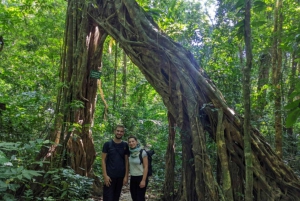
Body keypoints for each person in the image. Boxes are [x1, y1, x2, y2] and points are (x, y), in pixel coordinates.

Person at [102, 125, 129, 201]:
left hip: (120, 176)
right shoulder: (107, 144)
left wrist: (126, 176)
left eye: (121, 131)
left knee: (116, 197)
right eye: (118, 131)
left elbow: (126, 161)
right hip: (110, 177)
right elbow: (103, 160)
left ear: (123, 133)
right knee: (108, 197)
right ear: (115, 131)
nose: (119, 133)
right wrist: (105, 176)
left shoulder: (125, 145)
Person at [127, 136, 149, 201]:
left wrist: (143, 180)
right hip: (133, 177)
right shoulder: (129, 153)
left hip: (141, 177)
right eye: (129, 142)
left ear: (136, 142)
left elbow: (146, 167)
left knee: (140, 198)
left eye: (133, 141)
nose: (131, 143)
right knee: (134, 197)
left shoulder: (142, 152)